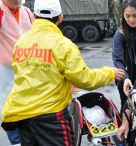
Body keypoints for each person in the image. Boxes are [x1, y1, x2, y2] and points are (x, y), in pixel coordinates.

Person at [1, 0, 125, 146]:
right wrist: (109, 73)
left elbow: (29, 74)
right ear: (60, 18)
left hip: (20, 116)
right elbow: (85, 79)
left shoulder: (21, 43)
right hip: (51, 118)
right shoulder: (63, 45)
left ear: (34, 16)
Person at [0, 0, 34, 145]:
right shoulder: (1, 12)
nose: (17, 0)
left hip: (28, 69)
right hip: (6, 72)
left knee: (30, 107)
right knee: (9, 108)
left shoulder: (26, 12)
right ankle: (16, 142)